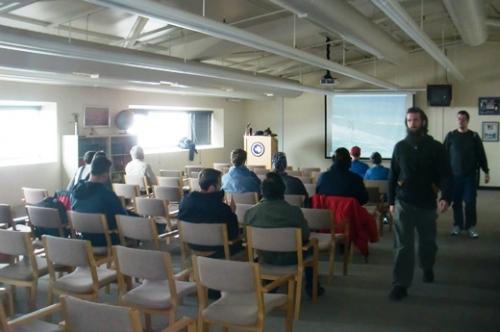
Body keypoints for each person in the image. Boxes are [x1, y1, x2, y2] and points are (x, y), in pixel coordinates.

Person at [388, 107, 453, 301]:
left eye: (415, 120)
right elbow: (393, 175)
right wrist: (391, 201)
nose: (412, 123)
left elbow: (446, 175)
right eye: (409, 120)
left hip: (426, 202)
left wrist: (445, 197)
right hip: (404, 202)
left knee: (427, 243)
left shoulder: (435, 147)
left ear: (423, 122)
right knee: (402, 246)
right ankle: (400, 284)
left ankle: (427, 266)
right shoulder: (400, 147)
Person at [244, 172, 324, 297]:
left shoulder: (250, 213)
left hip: (264, 257)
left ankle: (270, 281)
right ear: (283, 192)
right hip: (291, 258)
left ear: (262, 192)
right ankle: (312, 287)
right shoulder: (294, 211)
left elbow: (246, 237)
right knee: (312, 246)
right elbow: (305, 236)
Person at [444, 110, 489, 238]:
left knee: (470, 202)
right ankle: (457, 225)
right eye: (459, 118)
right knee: (456, 202)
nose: (461, 121)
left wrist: (486, 171)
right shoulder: (451, 136)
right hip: (454, 176)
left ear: (467, 121)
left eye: (463, 119)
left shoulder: (474, 136)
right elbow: (444, 155)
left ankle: (471, 226)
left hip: (470, 176)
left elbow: (481, 155)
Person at [178, 168, 241, 258]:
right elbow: (233, 235)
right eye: (219, 184)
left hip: (192, 245)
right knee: (241, 243)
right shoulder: (222, 208)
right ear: (212, 187)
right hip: (218, 250)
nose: (221, 187)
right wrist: (232, 213)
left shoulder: (185, 201)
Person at [71, 156, 127, 246]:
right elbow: (122, 219)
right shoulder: (107, 194)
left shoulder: (75, 191)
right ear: (105, 175)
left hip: (83, 239)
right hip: (104, 241)